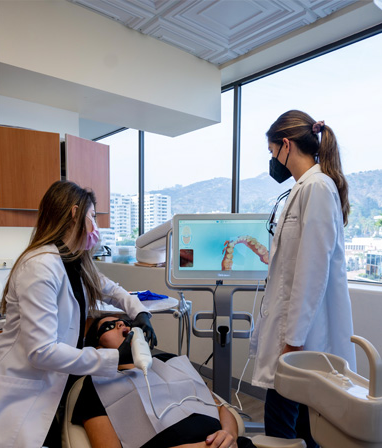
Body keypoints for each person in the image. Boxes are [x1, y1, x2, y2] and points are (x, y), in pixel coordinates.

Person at [0, 180, 157, 448]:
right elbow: (42, 351)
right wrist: (116, 356)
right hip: (26, 388)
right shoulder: (41, 266)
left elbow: (111, 289)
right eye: (92, 216)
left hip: (57, 381)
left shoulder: (73, 260)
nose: (95, 225)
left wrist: (139, 312)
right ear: (74, 213)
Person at [249, 110, 356, 447]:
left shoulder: (318, 187)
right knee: (299, 429)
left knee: (285, 430)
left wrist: (292, 342)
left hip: (300, 343)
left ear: (285, 145)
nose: (272, 161)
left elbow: (313, 272)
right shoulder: (305, 188)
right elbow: (298, 261)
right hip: (295, 341)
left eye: (271, 153)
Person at [72, 315, 257, 448]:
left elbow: (219, 407)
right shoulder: (96, 386)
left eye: (125, 322)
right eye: (109, 326)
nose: (121, 323)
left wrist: (229, 435)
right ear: (97, 347)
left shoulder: (171, 361)